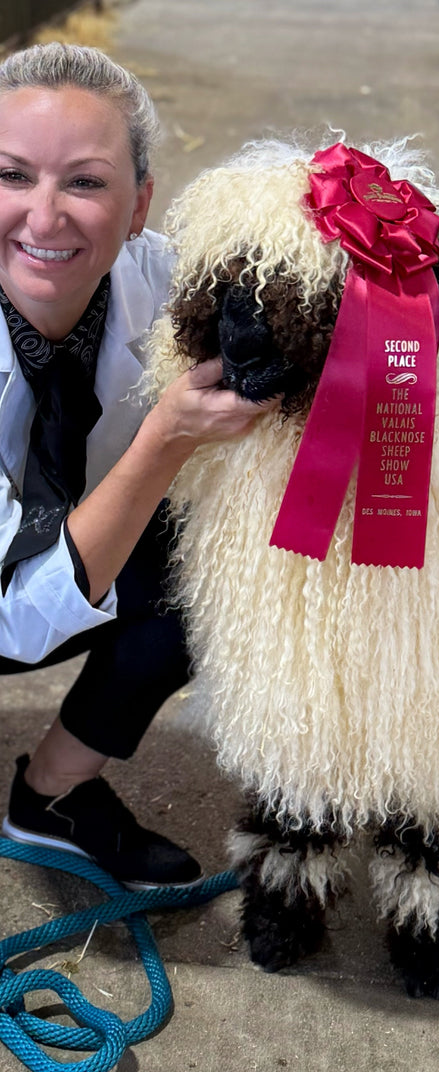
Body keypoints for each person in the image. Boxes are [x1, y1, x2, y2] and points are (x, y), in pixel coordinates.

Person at [0, 42, 263, 890]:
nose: (44, 218)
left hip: (65, 553)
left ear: (141, 201)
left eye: (84, 181)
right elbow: (14, 623)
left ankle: (53, 797)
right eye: (10, 175)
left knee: (202, 571)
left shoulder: (170, 289)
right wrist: (165, 440)